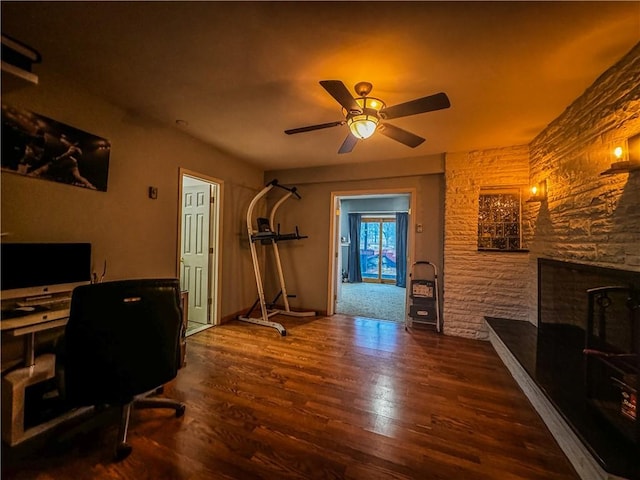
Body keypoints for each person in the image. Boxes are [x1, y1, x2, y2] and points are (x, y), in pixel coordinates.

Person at [29, 135, 96, 189]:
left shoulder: (72, 157)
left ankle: (89, 185)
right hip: (55, 168)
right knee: (44, 169)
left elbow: (66, 156)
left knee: (77, 176)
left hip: (59, 167)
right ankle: (89, 185)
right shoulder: (71, 156)